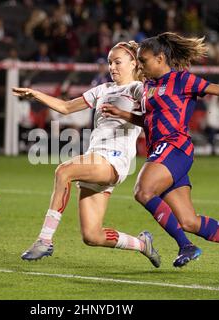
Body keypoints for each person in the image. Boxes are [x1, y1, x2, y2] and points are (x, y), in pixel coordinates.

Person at [102, 32, 219, 272]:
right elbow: (149, 121)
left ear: (160, 59)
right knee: (189, 221)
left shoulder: (183, 80)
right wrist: (125, 115)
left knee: (143, 191)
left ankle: (186, 246)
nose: (140, 66)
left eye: (144, 61)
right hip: (162, 153)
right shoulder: (149, 86)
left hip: (175, 147)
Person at [12, 41, 160, 267]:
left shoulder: (138, 90)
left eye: (118, 62)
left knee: (64, 171)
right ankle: (142, 244)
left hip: (113, 160)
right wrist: (36, 95)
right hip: (96, 159)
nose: (112, 67)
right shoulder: (103, 89)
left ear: (133, 63)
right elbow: (65, 107)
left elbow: (156, 115)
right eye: (110, 62)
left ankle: (44, 240)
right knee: (92, 235)